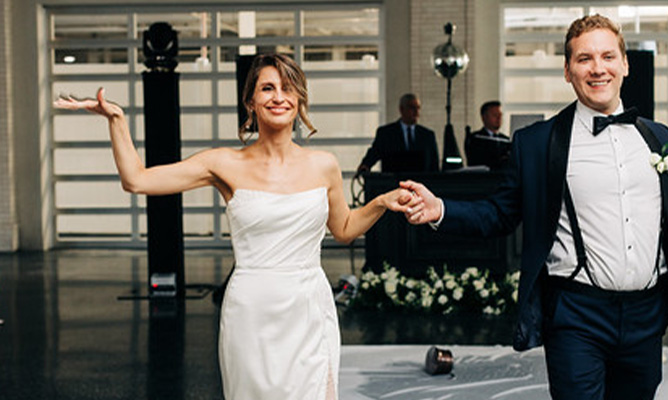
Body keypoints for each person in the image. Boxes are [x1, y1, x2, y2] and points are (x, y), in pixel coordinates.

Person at [400, 15, 668, 400]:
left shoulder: (658, 138)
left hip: (646, 315)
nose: (598, 68)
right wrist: (441, 210)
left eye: (608, 56)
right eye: (584, 58)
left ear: (625, 64)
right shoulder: (538, 143)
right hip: (575, 314)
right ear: (567, 70)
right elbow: (500, 213)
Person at [55, 53, 418, 400]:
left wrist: (380, 203)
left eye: (288, 88)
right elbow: (136, 180)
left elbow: (344, 228)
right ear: (251, 103)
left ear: (300, 100)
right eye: (267, 88)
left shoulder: (324, 164)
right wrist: (116, 120)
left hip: (308, 308)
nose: (279, 97)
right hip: (251, 309)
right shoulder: (223, 163)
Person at [357, 93, 439, 174]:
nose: (416, 112)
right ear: (402, 109)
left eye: (418, 108)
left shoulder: (427, 135)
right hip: (393, 182)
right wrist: (365, 165)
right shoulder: (386, 133)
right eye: (412, 108)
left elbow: (434, 164)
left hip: (421, 183)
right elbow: (374, 153)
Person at [464, 100, 511, 169]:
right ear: (484, 117)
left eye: (500, 115)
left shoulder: (506, 140)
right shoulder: (475, 139)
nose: (499, 118)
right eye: (495, 115)